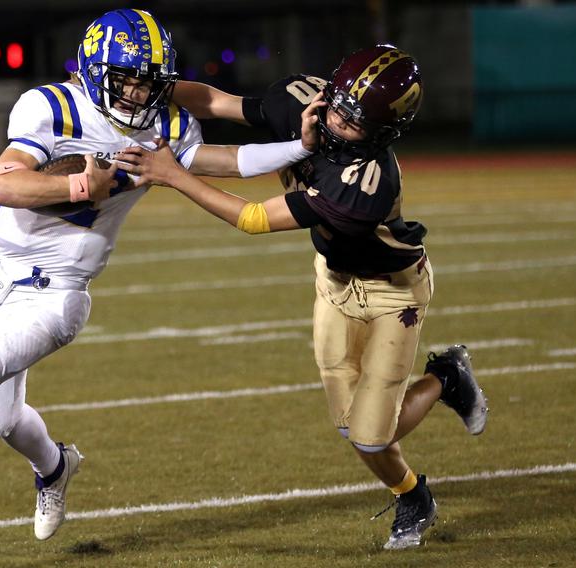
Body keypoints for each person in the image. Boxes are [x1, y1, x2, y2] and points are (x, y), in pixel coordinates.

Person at [0, 8, 323, 563]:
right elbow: (3, 185)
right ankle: (56, 466)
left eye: (147, 81)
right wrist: (84, 183)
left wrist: (299, 148)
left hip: (59, 291)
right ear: (93, 70)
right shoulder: (51, 107)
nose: (136, 92)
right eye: (126, 78)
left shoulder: (164, 126)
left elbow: (227, 159)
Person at [116, 44, 489, 550]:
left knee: (371, 434)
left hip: (390, 296)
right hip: (334, 282)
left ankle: (444, 378)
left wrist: (174, 175)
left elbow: (253, 219)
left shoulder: (366, 184)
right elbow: (216, 102)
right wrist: (143, 88)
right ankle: (411, 491)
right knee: (348, 425)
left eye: (353, 122)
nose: (335, 121)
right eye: (336, 104)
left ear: (382, 131)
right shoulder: (305, 99)